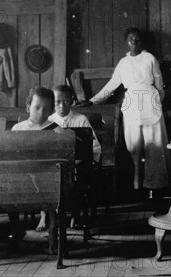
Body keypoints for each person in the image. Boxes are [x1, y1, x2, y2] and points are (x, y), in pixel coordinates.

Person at [78, 27, 171, 197]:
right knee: (133, 145)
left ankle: (156, 188)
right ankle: (136, 189)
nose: (134, 42)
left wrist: (157, 103)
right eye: (130, 39)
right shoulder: (123, 63)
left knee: (154, 143)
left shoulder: (149, 58)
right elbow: (111, 85)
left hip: (150, 102)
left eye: (137, 39)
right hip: (132, 105)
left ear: (141, 41)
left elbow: (159, 85)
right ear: (126, 42)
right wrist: (92, 100)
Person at [34, 84, 102, 231]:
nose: (61, 105)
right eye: (57, 102)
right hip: (53, 166)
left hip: (77, 165)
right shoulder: (48, 121)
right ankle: (45, 216)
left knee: (76, 177)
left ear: (71, 101)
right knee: (42, 177)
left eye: (65, 101)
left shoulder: (81, 119)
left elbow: (95, 147)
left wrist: (82, 160)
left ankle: (74, 214)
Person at [10, 86, 57, 246]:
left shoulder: (55, 130)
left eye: (46, 109)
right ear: (28, 107)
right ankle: (16, 229)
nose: (41, 113)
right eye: (37, 107)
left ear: (51, 111)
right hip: (22, 177)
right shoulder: (17, 129)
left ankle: (52, 228)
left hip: (47, 177)